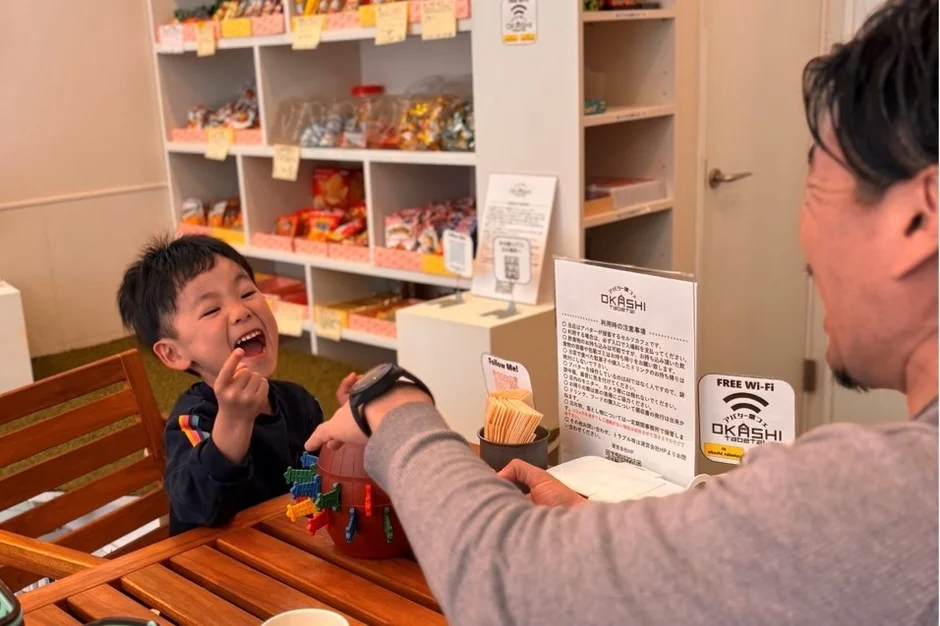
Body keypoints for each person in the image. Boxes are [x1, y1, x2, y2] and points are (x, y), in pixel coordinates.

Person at [305, 0, 939, 624]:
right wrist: (613, 539)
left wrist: (395, 406)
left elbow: (509, 582)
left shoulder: (886, 495)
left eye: (817, 187)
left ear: (921, 213)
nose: (803, 236)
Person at [118, 235, 356, 535]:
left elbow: (324, 482)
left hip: (292, 553)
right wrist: (233, 422)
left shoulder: (299, 402)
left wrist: (348, 430)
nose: (241, 311)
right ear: (174, 353)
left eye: (246, 292)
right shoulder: (192, 420)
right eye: (211, 310)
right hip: (215, 569)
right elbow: (200, 506)